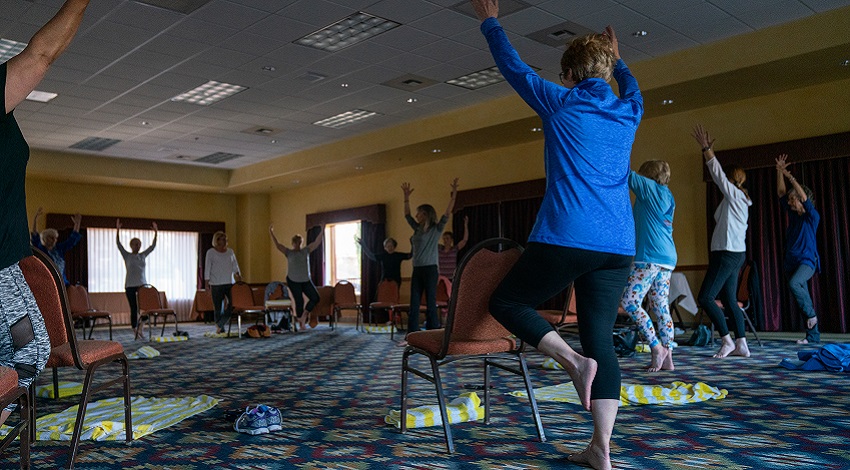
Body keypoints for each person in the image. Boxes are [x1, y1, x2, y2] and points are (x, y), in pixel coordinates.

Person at [471, 1, 642, 468]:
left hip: (568, 233)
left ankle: (570, 360)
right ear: (606, 75)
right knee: (601, 340)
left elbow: (513, 67)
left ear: (567, 75)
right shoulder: (629, 111)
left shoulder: (559, 101)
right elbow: (632, 86)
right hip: (619, 246)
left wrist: (491, 22)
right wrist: (618, 58)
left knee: (507, 303)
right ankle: (601, 450)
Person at [0, 0, 91, 428]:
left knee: (21, 356)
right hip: (0, 267)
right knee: (28, 355)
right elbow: (40, 54)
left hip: (9, 262)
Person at [692, 124, 753, 359]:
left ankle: (726, 340)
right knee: (728, 299)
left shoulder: (735, 195)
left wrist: (707, 150)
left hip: (727, 253)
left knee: (705, 297)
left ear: (731, 180)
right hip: (733, 253)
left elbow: (717, 175)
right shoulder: (735, 201)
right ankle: (742, 344)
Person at [620, 161, 677, 372]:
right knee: (660, 306)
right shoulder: (668, 194)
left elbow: (624, 172)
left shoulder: (649, 187)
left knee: (629, 301)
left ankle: (655, 347)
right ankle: (668, 354)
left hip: (649, 256)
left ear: (648, 176)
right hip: (667, 257)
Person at [399, 178, 458, 344]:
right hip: (417, 269)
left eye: (419, 213)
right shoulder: (416, 229)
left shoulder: (436, 229)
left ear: (425, 215)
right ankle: (411, 335)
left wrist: (453, 196)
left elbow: (447, 214)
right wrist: (406, 197)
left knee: (431, 302)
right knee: (414, 303)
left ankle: (433, 334)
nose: (416, 215)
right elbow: (406, 215)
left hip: (431, 269)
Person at [775, 154, 821, 344]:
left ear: (802, 201)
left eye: (793, 198)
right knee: (804, 296)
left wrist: (790, 176)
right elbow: (780, 193)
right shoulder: (793, 216)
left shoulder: (812, 217)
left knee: (795, 284)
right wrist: (779, 172)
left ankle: (812, 316)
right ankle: (813, 335)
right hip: (791, 261)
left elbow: (802, 195)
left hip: (807, 262)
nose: (790, 200)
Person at [269, 225, 324, 331]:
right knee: (299, 301)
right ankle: (301, 322)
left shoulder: (305, 251)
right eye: (296, 243)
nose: (298, 245)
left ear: (301, 243)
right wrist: (271, 232)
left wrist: (322, 230)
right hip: (293, 280)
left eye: (300, 243)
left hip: (305, 280)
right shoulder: (288, 253)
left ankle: (304, 315)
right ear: (293, 243)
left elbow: (316, 243)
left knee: (315, 297)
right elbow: (278, 245)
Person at [116, 219, 158, 339]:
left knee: (146, 309)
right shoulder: (127, 255)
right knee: (134, 308)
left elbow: (153, 246)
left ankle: (141, 327)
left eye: (139, 244)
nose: (138, 246)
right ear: (131, 245)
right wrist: (118, 230)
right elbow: (118, 244)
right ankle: (135, 329)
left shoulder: (143, 255)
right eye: (135, 244)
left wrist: (156, 232)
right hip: (130, 285)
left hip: (142, 285)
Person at [31, 207, 82, 285]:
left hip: (62, 282)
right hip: (46, 283)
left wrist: (77, 224)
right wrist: (35, 219)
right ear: (45, 238)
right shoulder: (40, 249)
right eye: (51, 238)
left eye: (55, 238)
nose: (54, 240)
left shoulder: (59, 249)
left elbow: (72, 240)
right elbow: (35, 235)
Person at [204, 231, 242, 334]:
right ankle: (220, 327)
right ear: (217, 240)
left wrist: (238, 275)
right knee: (218, 307)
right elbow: (207, 268)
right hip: (216, 283)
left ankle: (220, 324)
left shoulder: (230, 252)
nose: (225, 241)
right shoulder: (210, 252)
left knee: (233, 304)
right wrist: (206, 283)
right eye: (223, 239)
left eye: (226, 239)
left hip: (229, 282)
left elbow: (235, 265)